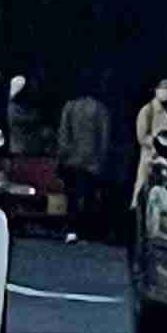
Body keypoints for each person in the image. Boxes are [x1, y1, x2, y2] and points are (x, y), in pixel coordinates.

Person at [57, 83, 114, 244]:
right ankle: (86, 231)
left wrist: (62, 156)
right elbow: (104, 137)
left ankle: (72, 230)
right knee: (89, 198)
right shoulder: (100, 109)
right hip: (92, 161)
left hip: (72, 159)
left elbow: (63, 133)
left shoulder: (70, 106)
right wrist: (102, 160)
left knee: (72, 197)